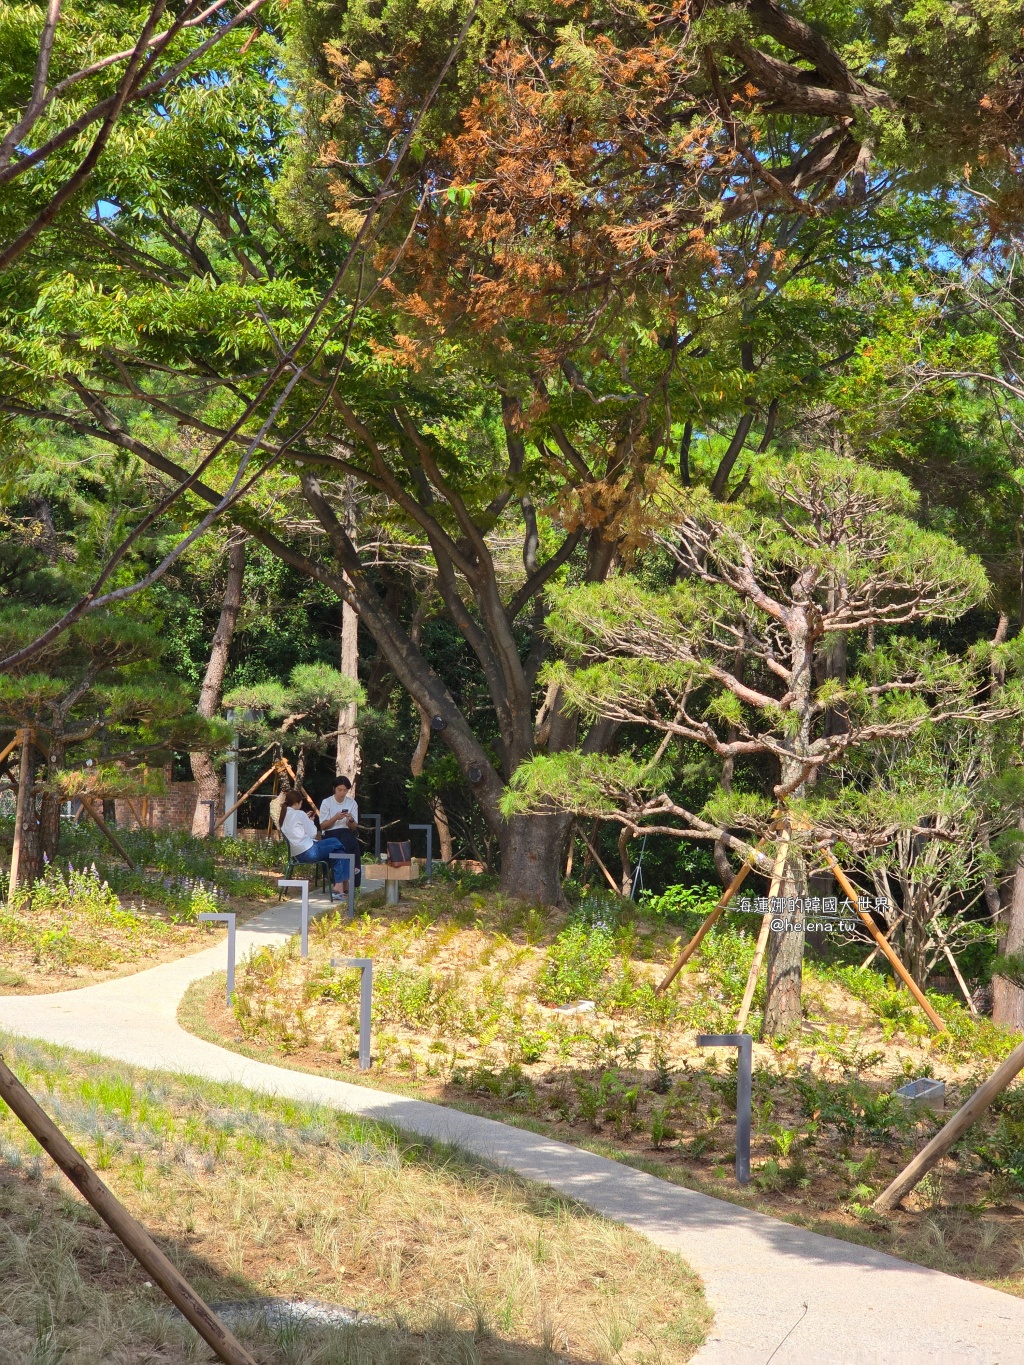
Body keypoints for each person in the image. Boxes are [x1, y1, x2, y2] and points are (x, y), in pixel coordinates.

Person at [279, 790, 351, 897]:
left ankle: (340, 885)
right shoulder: (299, 814)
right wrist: (311, 821)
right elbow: (313, 833)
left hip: (298, 855)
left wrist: (306, 820)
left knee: (338, 852)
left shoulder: (283, 816)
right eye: (301, 803)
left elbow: (298, 831)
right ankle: (344, 879)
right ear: (296, 803)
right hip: (310, 851)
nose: (301, 805)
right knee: (336, 842)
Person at [319, 775, 361, 890]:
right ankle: (343, 880)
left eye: (345, 790)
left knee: (351, 843)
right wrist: (335, 818)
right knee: (342, 843)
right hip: (330, 834)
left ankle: (347, 878)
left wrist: (350, 819)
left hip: (346, 833)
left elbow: (353, 827)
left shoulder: (352, 803)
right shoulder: (327, 802)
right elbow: (323, 825)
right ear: (334, 789)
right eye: (340, 790)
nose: (342, 793)